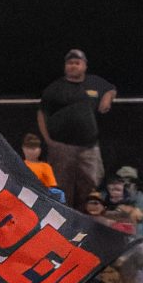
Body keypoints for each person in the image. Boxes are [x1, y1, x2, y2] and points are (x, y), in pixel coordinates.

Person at [37, 48, 115, 207]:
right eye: (70, 63)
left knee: (91, 187)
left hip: (89, 148)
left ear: (84, 65)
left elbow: (110, 89)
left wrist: (107, 98)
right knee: (61, 188)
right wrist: (49, 141)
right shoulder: (55, 88)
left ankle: (87, 224)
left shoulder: (94, 82)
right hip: (62, 149)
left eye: (77, 63)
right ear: (66, 66)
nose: (73, 66)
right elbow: (42, 114)